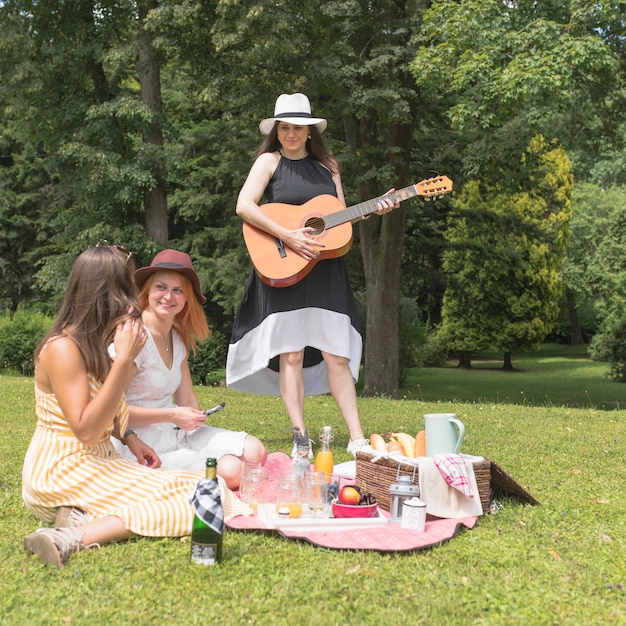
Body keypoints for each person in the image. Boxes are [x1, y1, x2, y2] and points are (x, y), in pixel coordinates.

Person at [21, 243, 224, 568]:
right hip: (61, 469)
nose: (134, 299)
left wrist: (129, 435)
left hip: (102, 458)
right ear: (104, 292)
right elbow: (86, 429)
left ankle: (77, 515)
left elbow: (106, 407)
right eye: (127, 287)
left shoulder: (96, 339)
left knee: (206, 489)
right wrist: (125, 360)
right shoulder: (62, 348)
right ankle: (67, 539)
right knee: (196, 504)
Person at [226, 92, 399, 459]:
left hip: (325, 269)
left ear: (309, 132)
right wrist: (287, 235)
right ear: (277, 131)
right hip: (285, 266)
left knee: (337, 353)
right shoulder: (267, 162)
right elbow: (244, 205)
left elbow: (338, 214)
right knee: (290, 355)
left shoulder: (328, 166)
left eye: (297, 128)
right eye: (284, 127)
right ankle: (300, 436)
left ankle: (357, 438)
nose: (290, 134)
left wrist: (373, 209)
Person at [111, 249, 267, 489]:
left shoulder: (176, 338)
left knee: (256, 452)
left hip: (174, 430)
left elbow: (187, 398)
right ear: (148, 292)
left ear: (186, 299)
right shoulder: (135, 338)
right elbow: (111, 411)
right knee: (233, 473)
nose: (168, 296)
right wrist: (172, 415)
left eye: (178, 290)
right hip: (136, 440)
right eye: (161, 287)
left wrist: (195, 416)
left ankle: (194, 459)